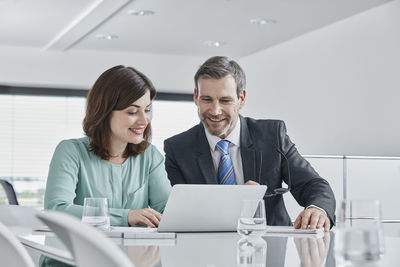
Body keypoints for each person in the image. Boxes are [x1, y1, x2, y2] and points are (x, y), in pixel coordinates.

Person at [164, 56, 335, 231]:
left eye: (225, 100)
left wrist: (317, 208)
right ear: (196, 97)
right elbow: (182, 214)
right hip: (208, 250)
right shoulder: (177, 149)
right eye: (207, 99)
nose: (215, 111)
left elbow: (314, 185)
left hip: (269, 248)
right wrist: (236, 201)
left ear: (242, 98)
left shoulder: (272, 135)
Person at [45, 65, 171, 227]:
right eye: (132, 112)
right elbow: (56, 209)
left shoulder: (150, 155)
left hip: (128, 252)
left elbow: (167, 211)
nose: (143, 120)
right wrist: (127, 216)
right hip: (75, 251)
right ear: (104, 112)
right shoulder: (70, 151)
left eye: (147, 110)